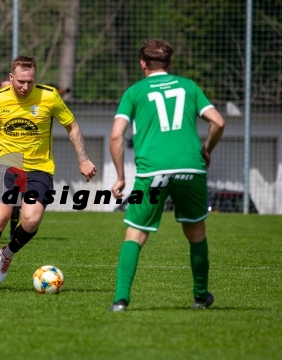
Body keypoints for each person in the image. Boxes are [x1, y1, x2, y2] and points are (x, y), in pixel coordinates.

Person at [108, 39, 225, 311]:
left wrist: (120, 177)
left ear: (142, 64)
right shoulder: (189, 86)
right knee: (196, 233)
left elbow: (116, 135)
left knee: (135, 234)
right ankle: (200, 297)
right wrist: (206, 149)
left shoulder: (134, 92)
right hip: (190, 167)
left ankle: (120, 300)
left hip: (152, 171)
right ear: (170, 65)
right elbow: (218, 122)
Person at [0, 56, 97, 292]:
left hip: (39, 166)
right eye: (20, 81)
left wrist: (83, 159)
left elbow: (72, 125)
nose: (25, 86)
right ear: (11, 78)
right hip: (6, 162)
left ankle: (7, 253)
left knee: (31, 220)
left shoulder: (49, 96)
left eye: (29, 81)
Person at [0, 76, 20, 240]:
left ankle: (13, 231)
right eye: (4, 87)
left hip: (19, 159)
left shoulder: (19, 108)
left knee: (16, 201)